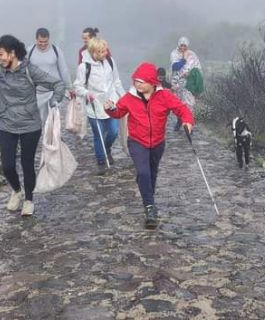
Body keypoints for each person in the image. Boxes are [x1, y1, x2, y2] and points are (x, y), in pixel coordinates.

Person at [0, 34, 65, 217]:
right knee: (7, 165)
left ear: (13, 53)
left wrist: (55, 101)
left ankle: (29, 200)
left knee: (27, 164)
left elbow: (57, 84)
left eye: (1, 54)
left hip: (30, 125)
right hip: (6, 123)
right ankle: (17, 191)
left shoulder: (30, 71)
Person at [104, 62, 194, 229]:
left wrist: (188, 121)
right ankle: (149, 207)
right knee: (143, 171)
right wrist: (110, 109)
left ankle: (148, 196)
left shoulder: (164, 96)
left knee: (151, 173)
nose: (137, 84)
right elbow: (118, 112)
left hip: (158, 143)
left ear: (152, 82)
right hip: (137, 142)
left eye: (141, 81)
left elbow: (181, 109)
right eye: (135, 80)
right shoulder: (129, 97)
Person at [73, 37, 126, 174]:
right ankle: (101, 159)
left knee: (113, 131)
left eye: (105, 51)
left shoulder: (110, 61)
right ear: (93, 52)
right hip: (94, 105)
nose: (104, 54)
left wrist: (125, 97)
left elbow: (117, 81)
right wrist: (86, 93)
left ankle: (106, 148)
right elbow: (78, 86)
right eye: (101, 52)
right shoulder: (84, 67)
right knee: (99, 135)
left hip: (111, 103)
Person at [28, 27, 73, 125]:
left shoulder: (56, 51)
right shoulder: (29, 52)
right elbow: (23, 70)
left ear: (49, 39)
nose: (43, 44)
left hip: (54, 92)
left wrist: (69, 87)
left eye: (45, 42)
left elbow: (63, 70)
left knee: (53, 121)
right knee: (38, 121)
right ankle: (39, 138)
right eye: (40, 42)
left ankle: (52, 139)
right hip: (37, 93)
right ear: (36, 39)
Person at [169, 36, 202, 131]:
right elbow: (175, 66)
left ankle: (189, 126)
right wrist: (183, 60)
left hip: (189, 83)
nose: (183, 48)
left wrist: (191, 74)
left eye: (185, 46)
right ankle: (179, 121)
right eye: (181, 45)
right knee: (179, 104)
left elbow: (197, 68)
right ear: (179, 45)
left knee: (189, 104)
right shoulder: (174, 53)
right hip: (177, 83)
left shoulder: (192, 55)